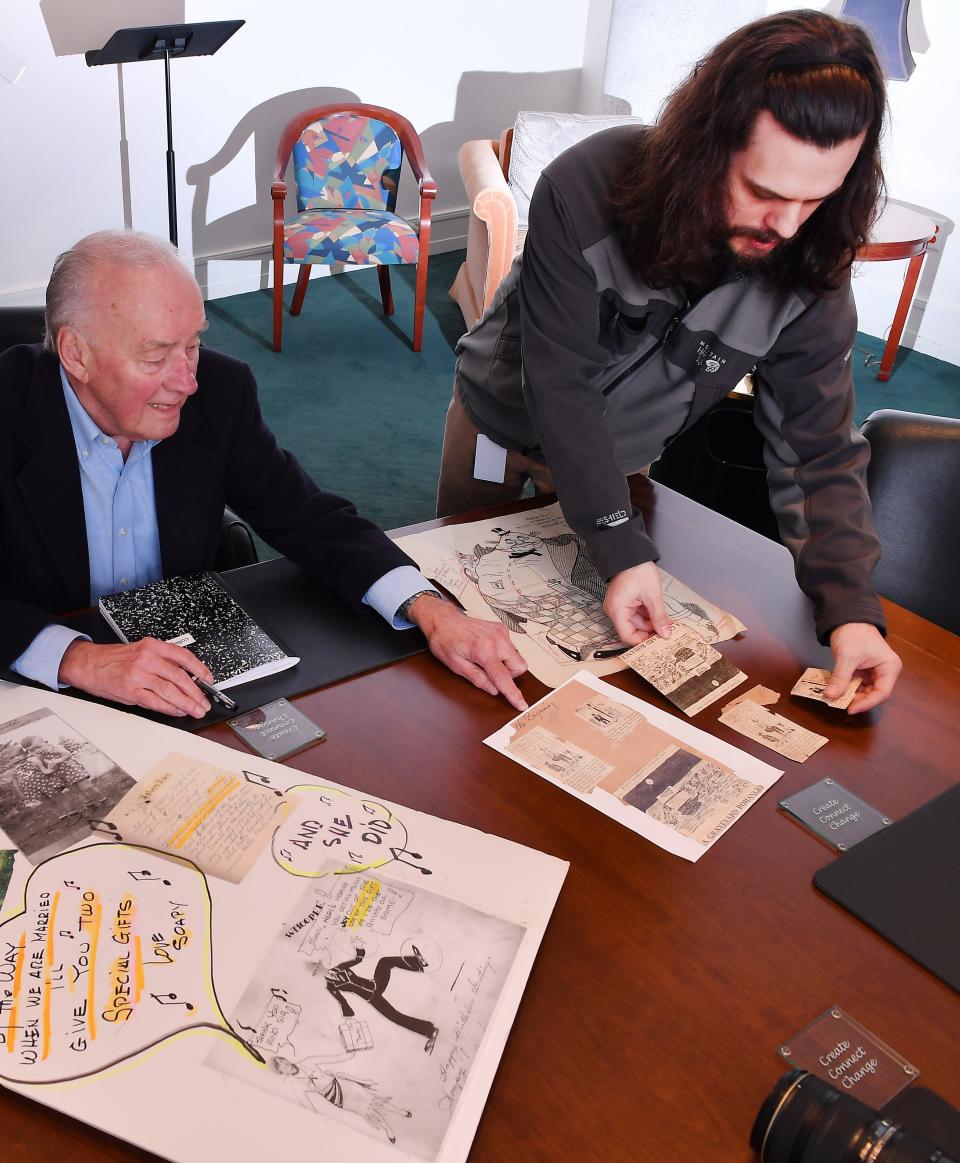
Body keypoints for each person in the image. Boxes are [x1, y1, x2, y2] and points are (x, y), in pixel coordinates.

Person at [437, 10, 901, 714]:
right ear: (706, 149)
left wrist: (853, 611)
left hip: (624, 459)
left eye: (817, 197)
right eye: (767, 193)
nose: (788, 225)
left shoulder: (813, 264)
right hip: (498, 424)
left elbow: (818, 450)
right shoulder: (585, 184)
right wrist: (622, 548)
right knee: (468, 635)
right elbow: (562, 382)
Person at [0, 230, 529, 716]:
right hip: (40, 681)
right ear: (76, 353)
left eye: (193, 345)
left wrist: (429, 608)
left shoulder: (222, 391)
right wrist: (79, 658)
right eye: (156, 356)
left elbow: (304, 515)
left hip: (183, 674)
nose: (187, 381)